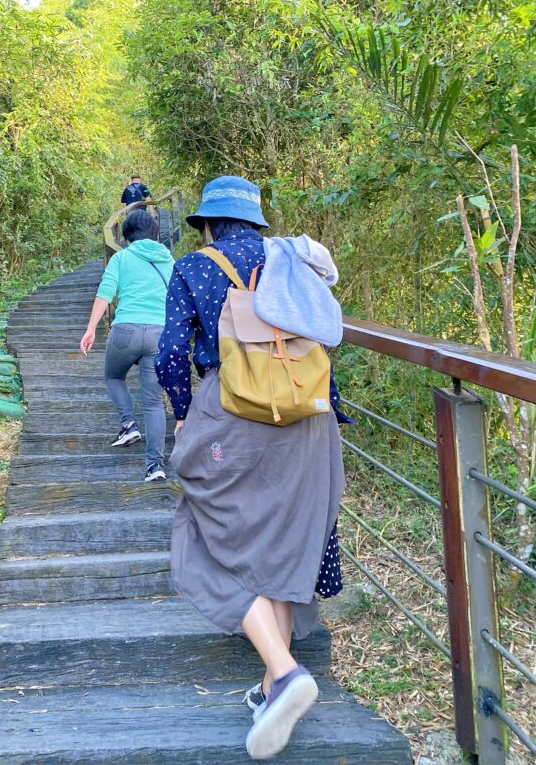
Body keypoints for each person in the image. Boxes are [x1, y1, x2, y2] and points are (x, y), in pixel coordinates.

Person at [155, 176, 347, 760]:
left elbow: (168, 356)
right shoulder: (291, 259)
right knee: (283, 537)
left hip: (235, 414)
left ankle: (286, 672)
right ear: (258, 223)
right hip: (309, 418)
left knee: (204, 537)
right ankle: (272, 689)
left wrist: (185, 414)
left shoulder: (194, 268)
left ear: (209, 224)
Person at [80, 209, 174, 482]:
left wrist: (90, 329)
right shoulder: (170, 261)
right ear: (155, 233)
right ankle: (155, 466)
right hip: (159, 334)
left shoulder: (121, 257)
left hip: (126, 330)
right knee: (154, 402)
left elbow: (105, 293)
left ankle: (129, 424)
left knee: (113, 375)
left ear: (127, 234)